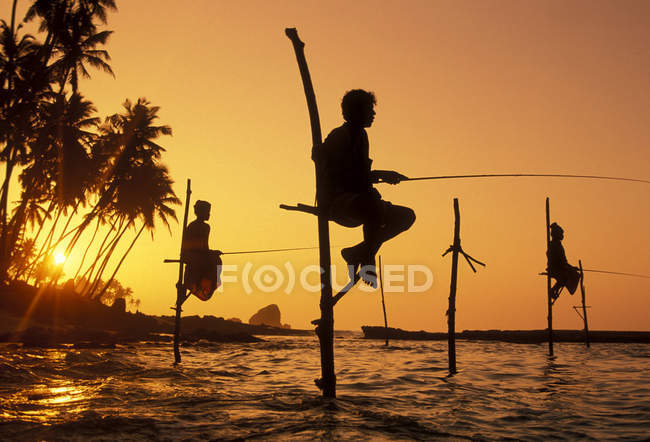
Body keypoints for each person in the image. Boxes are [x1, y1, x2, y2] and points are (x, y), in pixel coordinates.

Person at [318, 89, 416, 288]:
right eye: (369, 109)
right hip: (338, 202)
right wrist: (380, 175)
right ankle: (368, 259)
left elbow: (359, 175)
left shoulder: (361, 136)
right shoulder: (340, 137)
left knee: (406, 216)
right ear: (355, 111)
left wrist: (379, 176)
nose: (373, 114)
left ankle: (358, 252)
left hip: (361, 202)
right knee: (374, 207)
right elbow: (344, 177)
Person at [181, 200, 222, 301]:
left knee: (216, 260)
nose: (209, 214)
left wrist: (212, 252)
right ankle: (195, 283)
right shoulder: (195, 226)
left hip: (199, 254)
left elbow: (204, 247)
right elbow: (198, 248)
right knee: (215, 261)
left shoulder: (206, 227)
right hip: (192, 255)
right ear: (201, 212)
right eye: (207, 212)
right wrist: (211, 253)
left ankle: (203, 283)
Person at [547, 222, 581, 301]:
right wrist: (568, 267)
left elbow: (563, 261)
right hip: (555, 268)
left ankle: (554, 290)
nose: (562, 236)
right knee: (565, 277)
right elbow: (559, 261)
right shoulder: (554, 245)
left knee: (575, 275)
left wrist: (571, 267)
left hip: (560, 267)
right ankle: (553, 290)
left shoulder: (558, 245)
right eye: (561, 234)